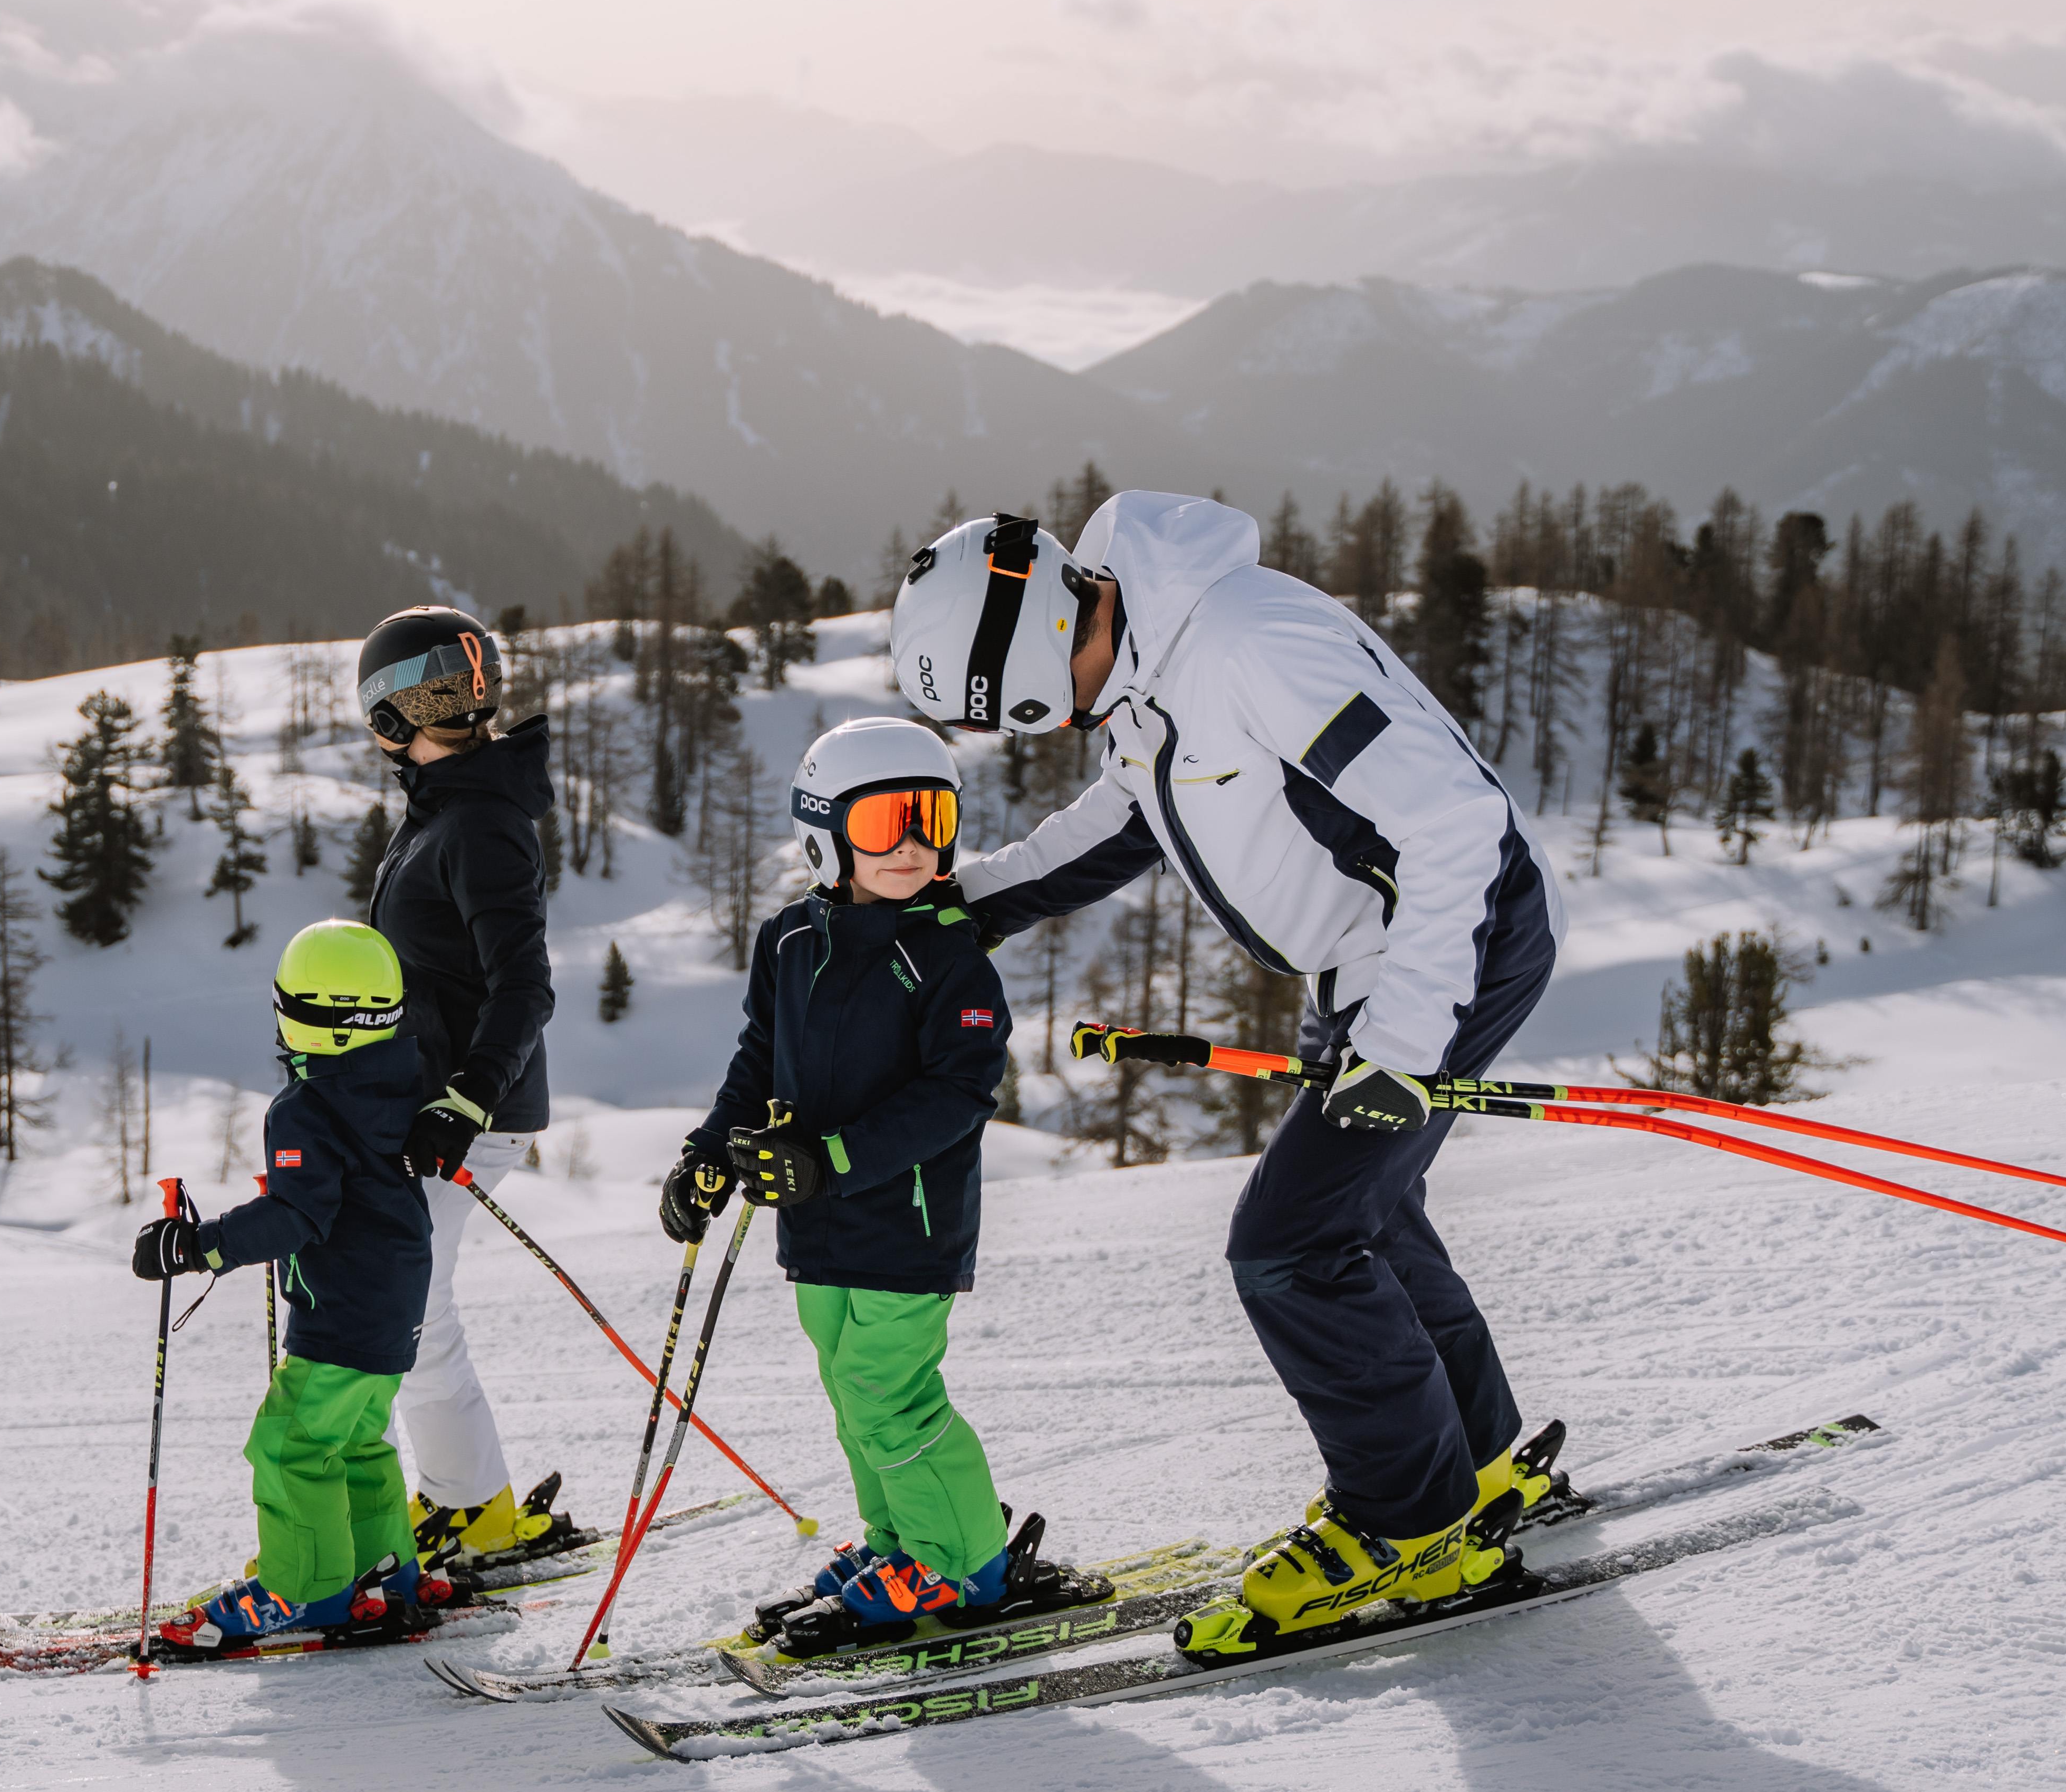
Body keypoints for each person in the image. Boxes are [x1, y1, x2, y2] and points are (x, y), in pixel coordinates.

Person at [889, 495, 1567, 1662]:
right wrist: (971, 904)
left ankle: (1412, 1523)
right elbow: (1127, 813)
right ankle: (1475, 1461)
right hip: (1364, 963)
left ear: (1038, 656)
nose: (1047, 728)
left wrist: (1405, 1049)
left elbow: (1456, 824)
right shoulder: (1147, 658)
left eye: (1020, 711)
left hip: (1452, 946)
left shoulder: (1247, 643)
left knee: (1289, 1243)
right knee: (1367, 1213)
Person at [665, 717, 1103, 1655]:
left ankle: (965, 1564)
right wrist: (708, 1152)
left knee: (886, 1391)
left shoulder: (948, 951)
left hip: (908, 1220)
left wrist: (831, 1159)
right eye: (882, 823)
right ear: (824, 833)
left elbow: (959, 1092)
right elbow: (758, 1060)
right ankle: (899, 1539)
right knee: (849, 1387)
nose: (911, 844)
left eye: (931, 819)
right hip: (814, 1222)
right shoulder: (789, 938)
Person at [131, 921, 444, 1646]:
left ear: (317, 1019)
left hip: (341, 1313)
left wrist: (195, 1246)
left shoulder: (307, 1106)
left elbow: (296, 1217)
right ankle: (384, 1570)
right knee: (357, 1442)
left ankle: (306, 1588)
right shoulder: (401, 1083)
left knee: (289, 1446)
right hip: (395, 1302)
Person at [354, 607, 580, 1565]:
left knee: (401, 1302)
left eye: (465, 682)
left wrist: (466, 1097)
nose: (459, 699)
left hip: (469, 1111)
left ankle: (458, 1505)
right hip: (435, 1105)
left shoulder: (479, 819)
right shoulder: (447, 808)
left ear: (383, 719)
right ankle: (464, 1499)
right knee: (413, 1302)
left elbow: (523, 983)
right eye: (442, 684)